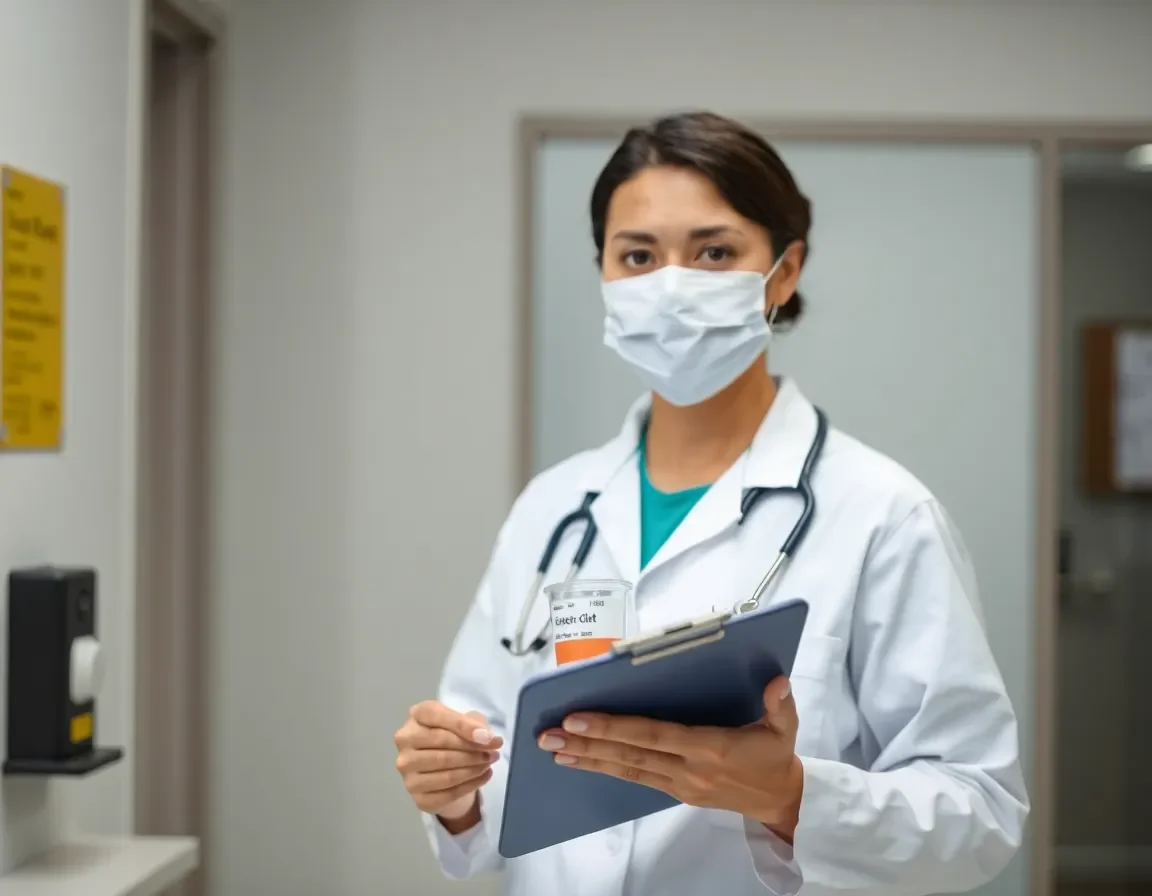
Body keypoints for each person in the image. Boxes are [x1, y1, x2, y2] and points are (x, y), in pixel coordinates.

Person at [393, 111, 1028, 896]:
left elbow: (980, 814)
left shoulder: (882, 515)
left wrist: (790, 796)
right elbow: (488, 760)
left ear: (784, 272)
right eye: (638, 256)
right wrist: (452, 788)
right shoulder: (552, 509)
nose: (672, 286)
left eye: (714, 252)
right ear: (605, 275)